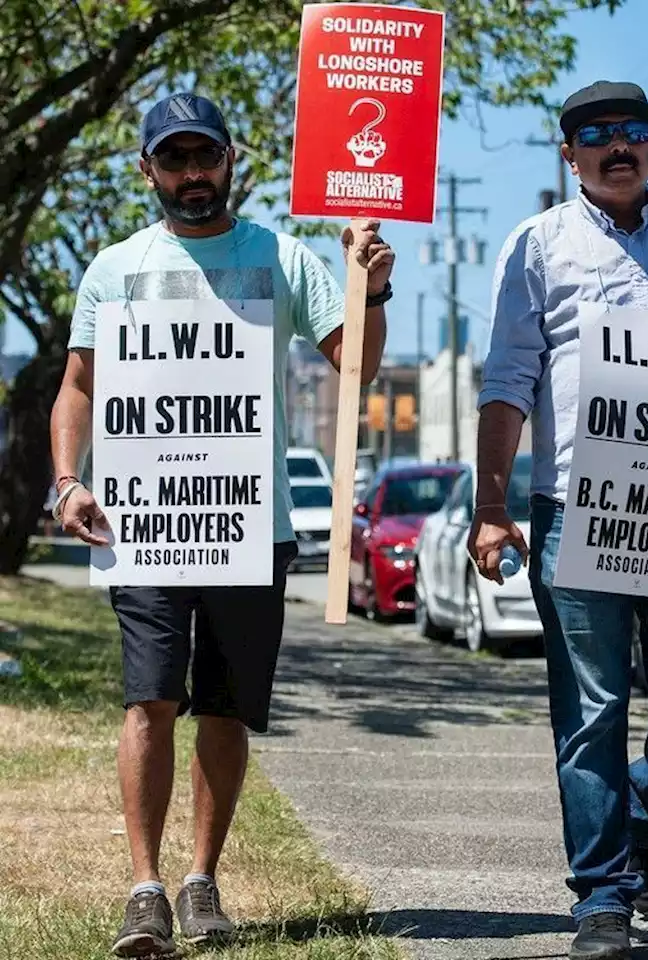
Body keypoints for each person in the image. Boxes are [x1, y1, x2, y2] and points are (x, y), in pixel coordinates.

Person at [48, 92, 395, 957]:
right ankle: (144, 889)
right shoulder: (112, 266)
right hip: (147, 522)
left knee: (226, 706)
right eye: (174, 161)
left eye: (205, 157)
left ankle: (201, 878)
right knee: (149, 697)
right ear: (148, 170)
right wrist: (66, 479)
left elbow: (354, 366)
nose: (192, 175)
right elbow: (80, 388)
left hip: (249, 522)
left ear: (232, 158)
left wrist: (373, 285)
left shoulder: (282, 255)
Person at [468, 80, 648, 960]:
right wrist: (491, 504)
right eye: (596, 136)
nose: (617, 146)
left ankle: (645, 816)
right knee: (591, 708)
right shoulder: (537, 246)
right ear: (570, 156)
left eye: (632, 130)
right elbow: (506, 381)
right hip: (574, 508)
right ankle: (601, 895)